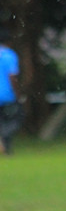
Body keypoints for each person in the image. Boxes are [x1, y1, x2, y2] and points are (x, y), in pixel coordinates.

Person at [0, 27, 24, 155]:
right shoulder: (9, 55)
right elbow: (12, 76)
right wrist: (17, 93)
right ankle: (6, 145)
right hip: (6, 95)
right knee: (13, 120)